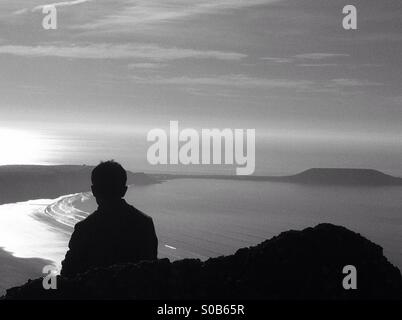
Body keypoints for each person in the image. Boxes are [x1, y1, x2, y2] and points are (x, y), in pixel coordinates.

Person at [61, 160, 158, 277]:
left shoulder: (84, 229)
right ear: (124, 190)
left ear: (94, 191)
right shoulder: (144, 223)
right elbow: (151, 270)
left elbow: (67, 274)